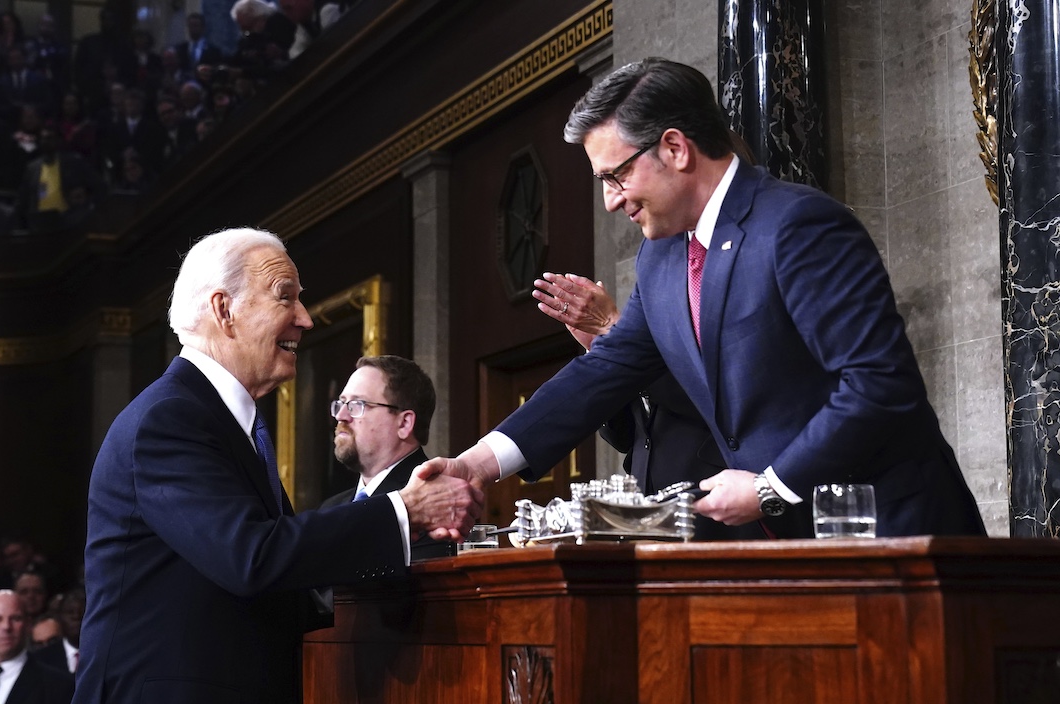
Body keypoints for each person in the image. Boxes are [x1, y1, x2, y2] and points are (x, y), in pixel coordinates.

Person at [421, 59, 986, 539]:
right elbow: (606, 371)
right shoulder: (661, 258)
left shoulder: (797, 225)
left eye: (615, 177)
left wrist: (770, 486)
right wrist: (474, 465)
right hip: (786, 548)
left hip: (893, 532)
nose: (612, 202)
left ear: (675, 148)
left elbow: (879, 384)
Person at [75, 227, 482, 704]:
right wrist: (404, 512)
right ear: (224, 310)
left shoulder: (217, 419)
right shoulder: (170, 418)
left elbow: (283, 594)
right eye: (285, 298)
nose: (305, 320)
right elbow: (253, 558)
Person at [533, 274, 799, 538]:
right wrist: (601, 351)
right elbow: (623, 439)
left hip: (717, 505)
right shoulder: (639, 344)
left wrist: (613, 330)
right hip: (650, 514)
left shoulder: (706, 331)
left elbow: (711, 401)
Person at [321, 356, 453, 558]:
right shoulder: (330, 508)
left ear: (404, 423)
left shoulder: (436, 502)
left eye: (357, 404)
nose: (341, 416)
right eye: (341, 403)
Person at [31, 589, 80, 680]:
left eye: (82, 611)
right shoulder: (38, 660)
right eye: (70, 612)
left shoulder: (107, 654)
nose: (76, 616)